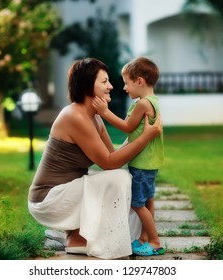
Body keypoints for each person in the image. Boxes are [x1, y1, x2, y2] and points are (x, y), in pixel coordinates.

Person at [28, 57, 163, 259]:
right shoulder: (75, 115)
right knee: (119, 179)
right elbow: (109, 163)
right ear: (86, 86)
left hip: (68, 190)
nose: (110, 86)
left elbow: (114, 156)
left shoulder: (95, 117)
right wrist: (145, 138)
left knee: (124, 178)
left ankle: (76, 236)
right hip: (49, 199)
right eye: (104, 82)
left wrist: (141, 135)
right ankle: (81, 235)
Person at [92, 57, 165, 256]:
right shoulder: (154, 101)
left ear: (139, 81)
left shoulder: (142, 104)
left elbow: (127, 127)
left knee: (137, 204)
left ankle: (155, 242)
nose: (124, 88)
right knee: (148, 201)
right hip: (149, 161)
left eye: (127, 83)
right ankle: (144, 238)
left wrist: (104, 112)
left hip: (142, 163)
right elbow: (136, 134)